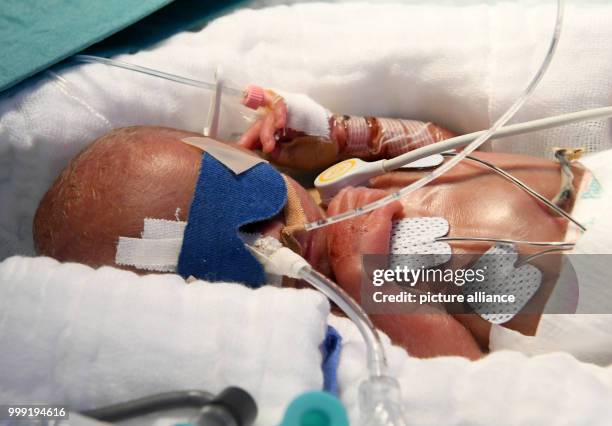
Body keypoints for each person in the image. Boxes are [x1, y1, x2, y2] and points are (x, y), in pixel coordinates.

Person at [33, 124, 586, 360]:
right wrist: (372, 290)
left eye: (236, 196)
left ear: (247, 155)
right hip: (588, 292)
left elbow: (446, 141)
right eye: (215, 260)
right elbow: (471, 375)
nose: (277, 239)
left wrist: (353, 132)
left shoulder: (355, 176)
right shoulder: (344, 325)